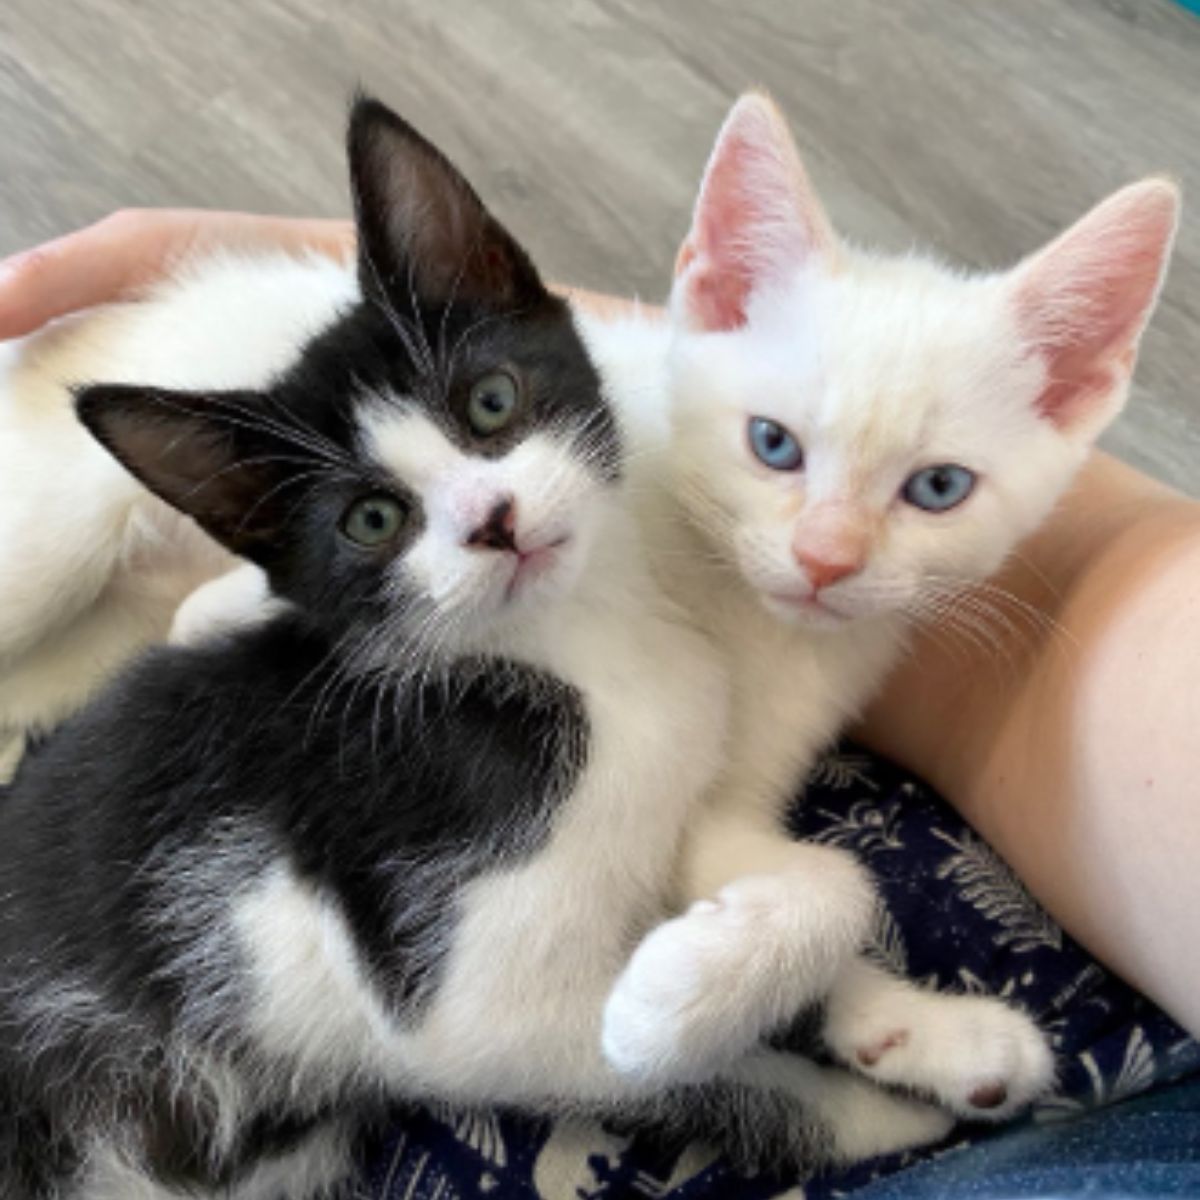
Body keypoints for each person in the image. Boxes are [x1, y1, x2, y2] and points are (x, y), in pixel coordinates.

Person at [1, 210, 1198, 1052]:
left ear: (1075, 392)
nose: (828, 554)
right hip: (243, 440)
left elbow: (693, 831)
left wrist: (824, 959)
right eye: (775, 447)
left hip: (238, 662)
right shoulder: (601, 454)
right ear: (711, 290)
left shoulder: (833, 638)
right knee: (44, 549)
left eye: (933, 488)